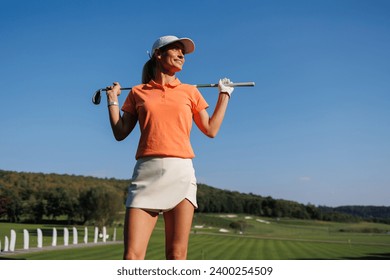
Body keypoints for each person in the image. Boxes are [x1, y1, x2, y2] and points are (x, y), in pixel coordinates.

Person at [105, 35, 234, 260]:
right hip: (146, 173)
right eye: (175, 50)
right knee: (132, 257)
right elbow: (120, 133)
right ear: (158, 54)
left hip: (180, 173)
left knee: (176, 255)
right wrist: (112, 100)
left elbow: (210, 129)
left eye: (183, 52)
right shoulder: (137, 92)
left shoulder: (190, 91)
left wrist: (224, 95)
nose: (182, 55)